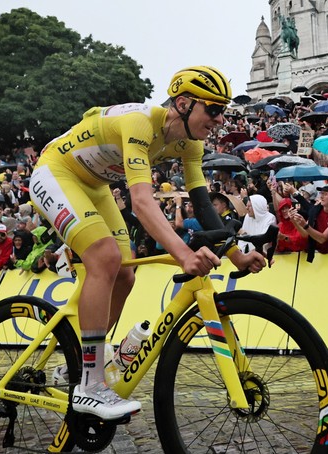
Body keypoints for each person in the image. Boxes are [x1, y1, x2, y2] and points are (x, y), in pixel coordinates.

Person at [27, 66, 266, 420]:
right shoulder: (140, 122)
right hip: (55, 172)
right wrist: (183, 255)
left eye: (223, 111)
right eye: (213, 109)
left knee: (125, 274)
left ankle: (80, 361)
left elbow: (202, 203)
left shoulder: (191, 143)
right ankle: (90, 386)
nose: (220, 119)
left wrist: (235, 254)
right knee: (105, 257)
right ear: (183, 104)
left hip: (95, 186)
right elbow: (140, 202)